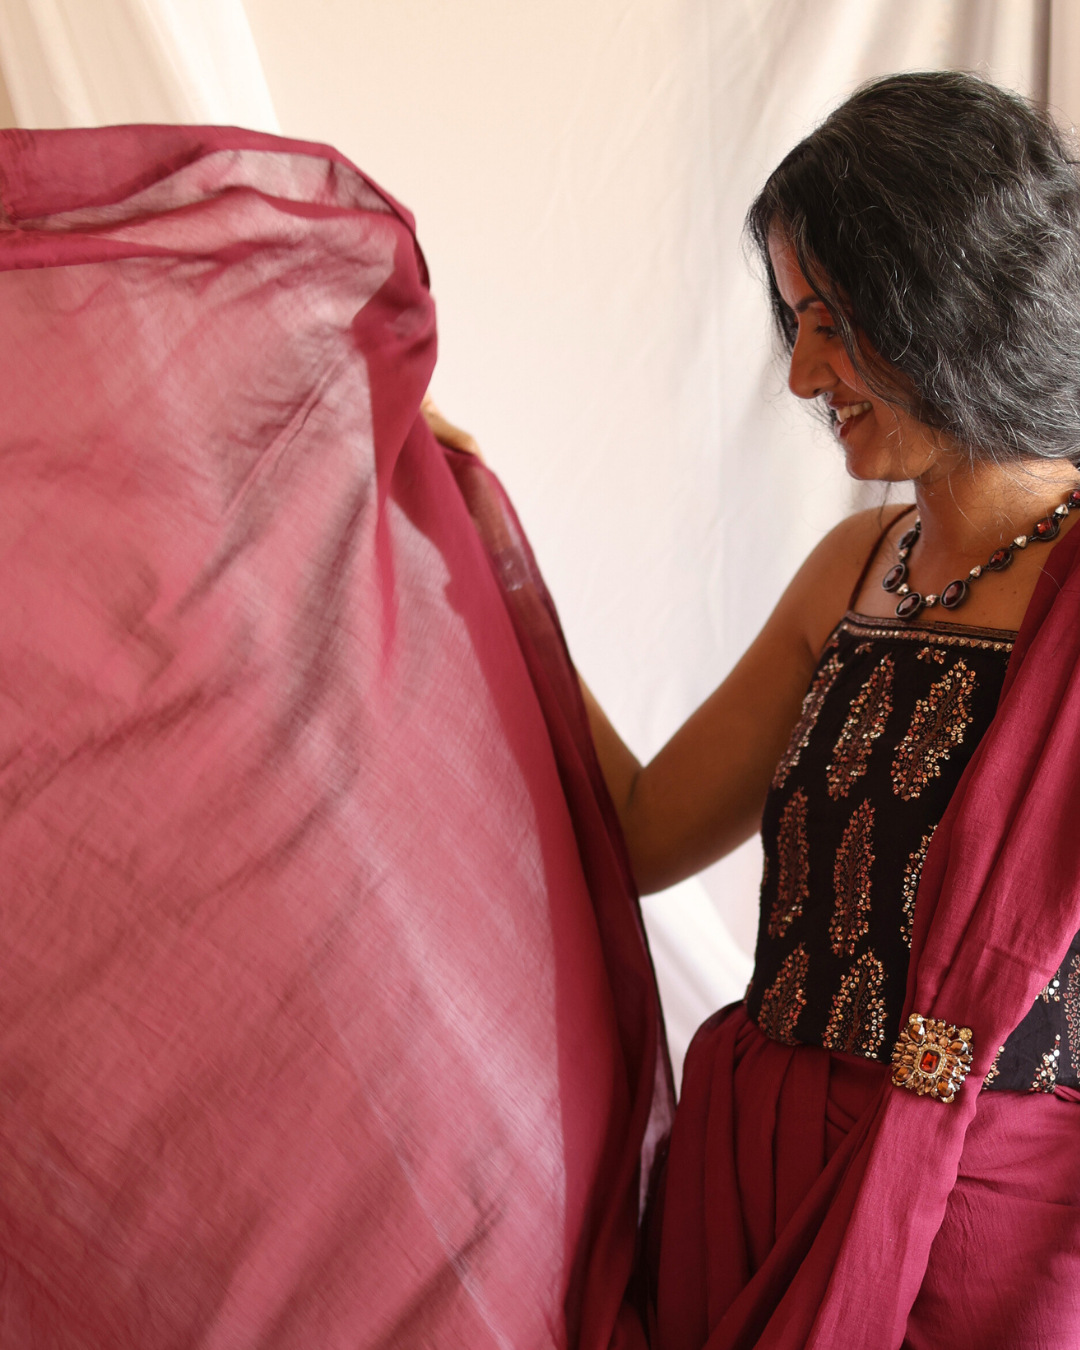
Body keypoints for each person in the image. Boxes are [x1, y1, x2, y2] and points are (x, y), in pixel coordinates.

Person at [434, 71, 1080, 1347]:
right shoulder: (854, 574)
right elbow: (637, 831)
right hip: (756, 1171)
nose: (800, 377)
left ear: (951, 301)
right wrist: (485, 554)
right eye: (794, 323)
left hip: (987, 1226)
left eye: (833, 323)